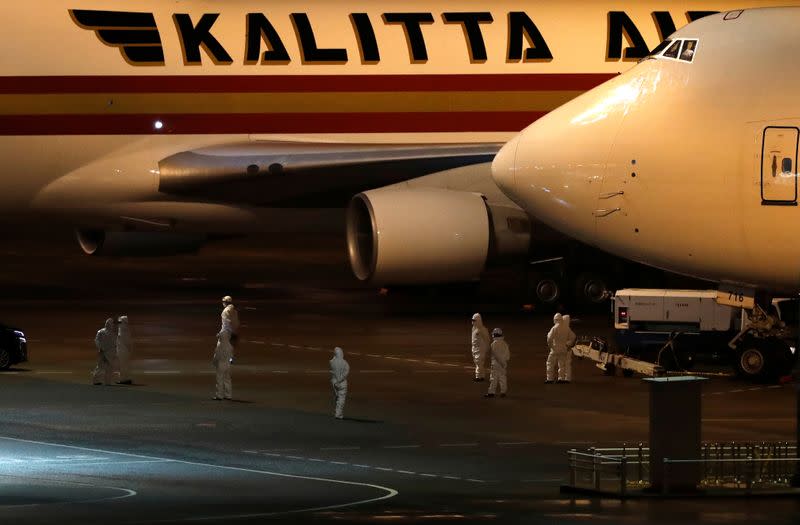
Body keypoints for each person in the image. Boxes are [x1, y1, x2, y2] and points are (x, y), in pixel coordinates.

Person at [546, 313, 577, 383]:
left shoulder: (554, 328)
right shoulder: (566, 328)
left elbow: (549, 338)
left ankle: (550, 379)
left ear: (555, 320)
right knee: (562, 364)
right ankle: (561, 378)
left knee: (550, 363)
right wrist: (568, 344)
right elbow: (573, 336)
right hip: (563, 349)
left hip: (555, 349)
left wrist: (551, 346)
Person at [485, 328, 510, 398]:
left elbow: (496, 355)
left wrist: (500, 361)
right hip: (503, 364)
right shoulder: (505, 344)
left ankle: (491, 392)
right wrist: (504, 362)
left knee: (493, 378)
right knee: (503, 378)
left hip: (495, 364)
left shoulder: (494, 344)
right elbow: (508, 355)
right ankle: (503, 392)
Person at [92, 317, 117, 385]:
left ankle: (99, 380)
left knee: (103, 367)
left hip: (106, 352)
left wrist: (101, 348)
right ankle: (104, 381)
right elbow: (114, 343)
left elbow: (97, 341)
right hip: (107, 352)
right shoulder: (109, 333)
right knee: (105, 367)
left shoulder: (102, 332)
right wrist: (102, 348)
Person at [213, 328, 234, 400]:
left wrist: (214, 362)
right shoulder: (230, 346)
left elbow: (217, 356)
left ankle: (219, 395)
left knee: (219, 379)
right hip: (228, 364)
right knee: (227, 379)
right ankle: (228, 395)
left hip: (221, 364)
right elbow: (231, 356)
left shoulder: (220, 346)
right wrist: (230, 361)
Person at [329, 346, 350, 419]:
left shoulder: (332, 362)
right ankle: (338, 413)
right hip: (342, 383)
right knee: (341, 398)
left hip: (334, 382)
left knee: (337, 397)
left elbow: (331, 362)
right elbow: (346, 373)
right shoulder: (345, 363)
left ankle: (337, 411)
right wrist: (340, 380)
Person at [470, 313, 491, 382]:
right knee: (478, 363)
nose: (473, 321)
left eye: (474, 320)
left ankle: (478, 377)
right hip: (475, 348)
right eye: (472, 320)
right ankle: (481, 376)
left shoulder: (482, 329)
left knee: (479, 363)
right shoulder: (474, 328)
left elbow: (487, 339)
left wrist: (487, 347)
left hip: (480, 349)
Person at [115, 315, 133, 385]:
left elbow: (124, 341)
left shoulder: (123, 330)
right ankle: (126, 378)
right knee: (125, 365)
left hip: (122, 350)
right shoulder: (125, 329)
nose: (119, 323)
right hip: (124, 350)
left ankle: (123, 379)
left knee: (122, 365)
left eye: (120, 322)